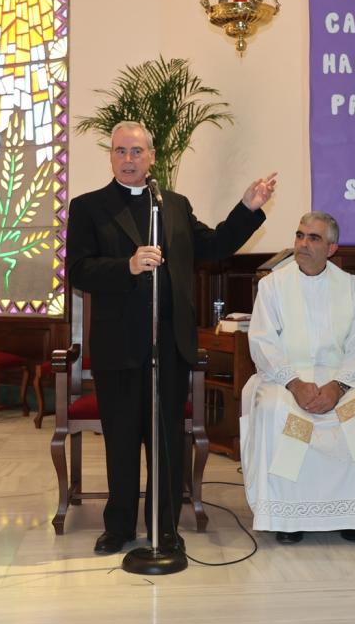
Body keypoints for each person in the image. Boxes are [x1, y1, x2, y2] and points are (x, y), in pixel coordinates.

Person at [66, 120, 275, 556]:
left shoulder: (174, 205)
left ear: (152, 157)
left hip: (170, 347)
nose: (128, 160)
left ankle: (164, 527)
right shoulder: (89, 207)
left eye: (137, 152)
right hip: (118, 348)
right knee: (122, 441)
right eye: (121, 152)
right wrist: (126, 265)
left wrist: (247, 208)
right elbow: (79, 270)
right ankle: (119, 525)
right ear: (110, 157)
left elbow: (214, 246)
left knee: (165, 443)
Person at [241, 212, 355, 543]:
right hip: (287, 380)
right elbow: (263, 343)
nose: (303, 244)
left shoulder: (350, 287)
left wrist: (337, 387)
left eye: (314, 238)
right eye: (299, 236)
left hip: (340, 381)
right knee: (277, 411)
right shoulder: (272, 286)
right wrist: (295, 384)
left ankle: (354, 514)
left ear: (332, 248)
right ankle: (287, 516)